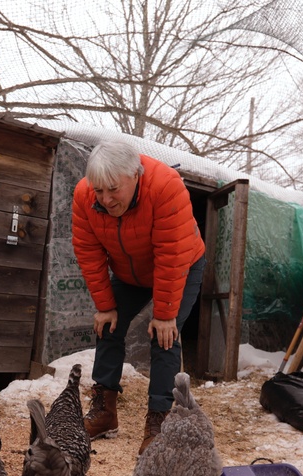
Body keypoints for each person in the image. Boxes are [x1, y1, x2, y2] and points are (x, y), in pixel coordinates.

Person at [72, 140, 207, 454]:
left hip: (181, 263)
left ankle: (159, 421)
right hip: (130, 270)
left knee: (164, 335)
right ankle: (105, 413)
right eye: (99, 191)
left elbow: (171, 255)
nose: (105, 199)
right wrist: (105, 307)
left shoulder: (166, 187)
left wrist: (164, 312)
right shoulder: (84, 195)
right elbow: (88, 252)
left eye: (113, 190)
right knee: (107, 326)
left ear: (135, 174)